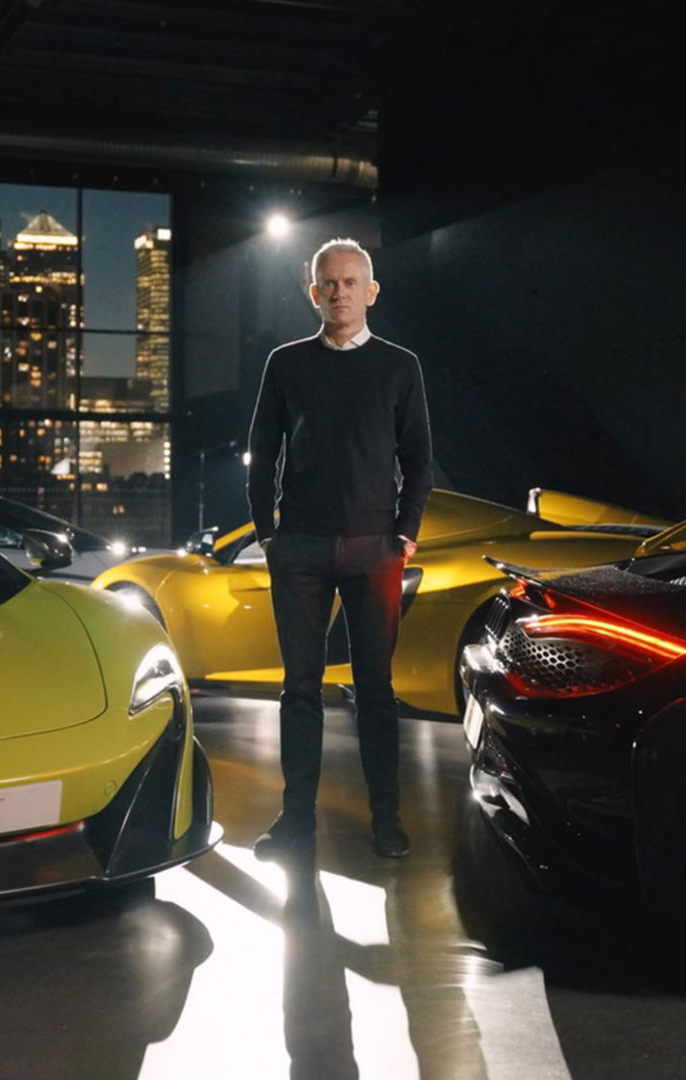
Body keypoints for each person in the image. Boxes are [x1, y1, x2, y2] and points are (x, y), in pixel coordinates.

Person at [245, 237, 433, 860]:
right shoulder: (286, 363)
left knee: (375, 691)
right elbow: (262, 451)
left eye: (351, 282)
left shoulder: (400, 366)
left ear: (371, 292)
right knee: (299, 690)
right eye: (329, 282)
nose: (340, 291)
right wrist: (267, 533)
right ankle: (296, 820)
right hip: (298, 547)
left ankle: (386, 818)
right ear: (313, 292)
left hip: (375, 548)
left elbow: (419, 460)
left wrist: (404, 533)